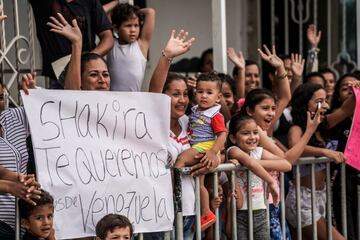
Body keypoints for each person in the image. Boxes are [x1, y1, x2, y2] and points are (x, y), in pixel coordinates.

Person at [286, 82, 349, 240]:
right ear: (305, 104)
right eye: (318, 101)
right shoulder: (296, 128)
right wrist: (323, 151)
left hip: (320, 197)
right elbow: (295, 146)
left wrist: (356, 89)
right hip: (302, 200)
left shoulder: (324, 124)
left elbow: (345, 109)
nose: (325, 105)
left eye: (326, 100)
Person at [174, 72, 227, 231]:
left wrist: (213, 152)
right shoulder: (196, 109)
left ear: (218, 97)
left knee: (181, 160)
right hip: (199, 146)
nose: (204, 96)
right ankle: (206, 213)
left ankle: (175, 188)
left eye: (209, 93)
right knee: (201, 184)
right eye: (200, 91)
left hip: (205, 146)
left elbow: (223, 134)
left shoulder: (215, 114)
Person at [226, 113, 291, 240]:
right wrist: (270, 181)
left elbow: (286, 165)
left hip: (261, 210)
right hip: (241, 212)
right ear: (233, 138)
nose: (252, 137)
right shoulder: (233, 150)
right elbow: (249, 162)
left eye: (255, 132)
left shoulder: (258, 152)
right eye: (245, 133)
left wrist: (249, 165)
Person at [28, 0, 113, 89]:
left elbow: (108, 39)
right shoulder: (44, 3)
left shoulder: (90, 2)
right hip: (58, 77)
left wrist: (86, 61)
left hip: (88, 76)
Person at [329, 73, 359, 240]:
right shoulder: (336, 117)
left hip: (357, 180)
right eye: (345, 88)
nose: (350, 90)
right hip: (341, 180)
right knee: (348, 231)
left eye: (354, 86)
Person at [107, 3, 155, 91]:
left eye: (136, 25)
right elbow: (105, 15)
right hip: (112, 101)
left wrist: (133, 13)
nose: (133, 30)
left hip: (133, 101)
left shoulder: (141, 45)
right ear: (116, 28)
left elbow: (150, 12)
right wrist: (116, 3)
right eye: (128, 26)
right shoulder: (111, 43)